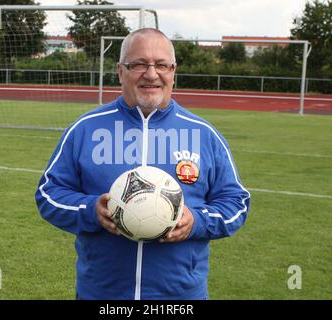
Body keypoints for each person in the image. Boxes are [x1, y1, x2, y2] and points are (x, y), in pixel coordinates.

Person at [35, 28, 250, 300]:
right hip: (102, 294)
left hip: (180, 297)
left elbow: (236, 203)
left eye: (161, 64)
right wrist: (91, 211)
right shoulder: (85, 129)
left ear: (174, 71)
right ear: (120, 71)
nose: (151, 74)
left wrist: (196, 221)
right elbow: (48, 195)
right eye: (138, 64)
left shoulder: (204, 135)